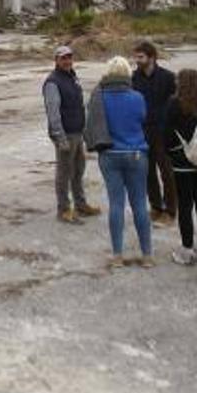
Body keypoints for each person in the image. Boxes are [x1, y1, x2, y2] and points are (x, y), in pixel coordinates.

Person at [83, 56, 153, 265]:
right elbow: (142, 119)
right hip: (136, 153)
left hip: (110, 155)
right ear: (127, 74)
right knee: (140, 203)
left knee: (116, 204)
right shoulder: (137, 97)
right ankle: (147, 255)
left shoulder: (99, 96)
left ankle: (117, 255)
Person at [42, 45, 101, 223]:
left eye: (69, 57)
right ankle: (64, 210)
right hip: (65, 134)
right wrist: (59, 137)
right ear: (56, 61)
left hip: (77, 131)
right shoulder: (53, 82)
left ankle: (80, 204)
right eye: (63, 58)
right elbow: (53, 112)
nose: (67, 61)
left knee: (78, 170)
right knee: (64, 172)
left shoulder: (72, 76)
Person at [165, 69, 197, 266]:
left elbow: (166, 133)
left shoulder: (175, 104)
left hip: (183, 163)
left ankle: (186, 250)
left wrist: (175, 153)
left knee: (185, 207)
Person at [130, 40, 177, 224]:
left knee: (167, 172)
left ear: (152, 57)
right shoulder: (134, 78)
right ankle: (156, 207)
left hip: (164, 132)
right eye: (136, 57)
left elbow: (176, 103)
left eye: (141, 57)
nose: (137, 60)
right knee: (147, 172)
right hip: (142, 131)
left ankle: (171, 210)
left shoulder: (168, 77)